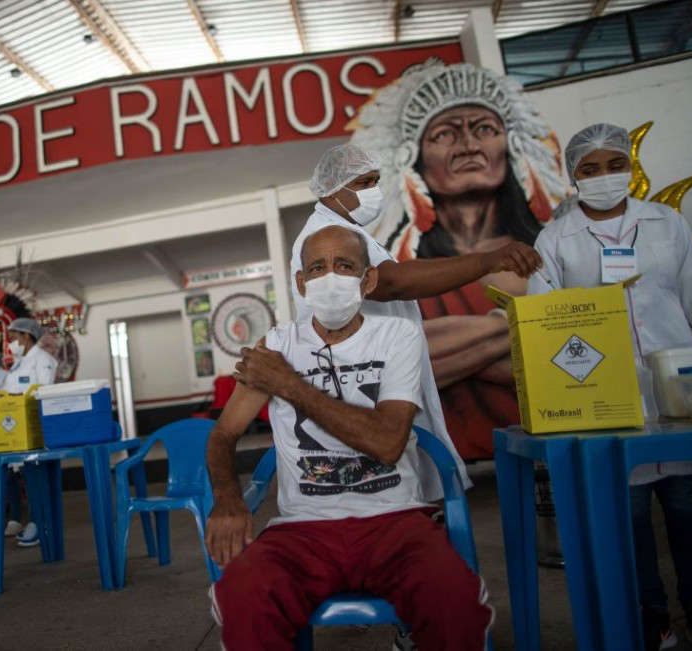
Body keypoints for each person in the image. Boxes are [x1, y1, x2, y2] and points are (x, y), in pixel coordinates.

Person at [207, 224, 494, 649]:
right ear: (302, 283)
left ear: (368, 279)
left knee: (454, 602)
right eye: (317, 268)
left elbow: (387, 442)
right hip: (303, 529)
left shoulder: (397, 337)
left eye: (344, 265)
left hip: (394, 521)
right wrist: (228, 497)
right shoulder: (278, 345)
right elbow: (224, 434)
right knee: (245, 597)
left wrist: (289, 384)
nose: (331, 277)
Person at [528, 123, 692, 650]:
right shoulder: (555, 239)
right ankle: (654, 623)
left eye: (613, 166)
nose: (604, 177)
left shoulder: (666, 224)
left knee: (690, 513)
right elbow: (544, 322)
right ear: (573, 176)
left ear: (629, 166)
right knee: (628, 524)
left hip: (678, 393)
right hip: (605, 398)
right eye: (590, 169)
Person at [292, 143, 544, 497]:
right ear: (334, 189)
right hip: (360, 388)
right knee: (390, 497)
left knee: (415, 495)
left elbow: (396, 277)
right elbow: (392, 282)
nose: (374, 192)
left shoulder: (353, 234)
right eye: (365, 182)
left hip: (385, 377)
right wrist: (486, 261)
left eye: (376, 181)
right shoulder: (322, 238)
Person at [351, 61, 569, 459]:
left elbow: (567, 351)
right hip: (443, 458)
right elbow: (392, 364)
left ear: (511, 145)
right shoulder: (398, 267)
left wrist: (453, 350)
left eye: (484, 129)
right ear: (413, 157)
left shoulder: (545, 248)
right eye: (446, 134)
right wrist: (522, 326)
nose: (469, 146)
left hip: (550, 441)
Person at [4, 318, 59, 546]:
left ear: (26, 336)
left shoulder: (43, 360)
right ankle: (36, 522)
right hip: (18, 429)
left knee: (37, 477)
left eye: (14, 336)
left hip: (36, 427)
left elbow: (43, 391)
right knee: (28, 475)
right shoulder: (19, 363)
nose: (11, 342)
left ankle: (39, 523)